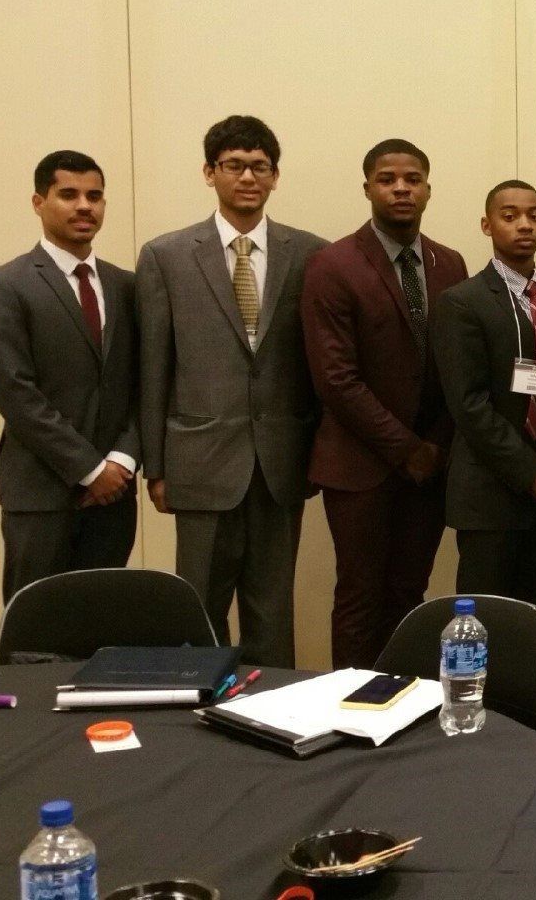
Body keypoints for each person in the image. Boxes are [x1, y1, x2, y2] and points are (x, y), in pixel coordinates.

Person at [138, 116, 326, 667]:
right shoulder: (166, 255)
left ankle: (273, 725)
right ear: (209, 172)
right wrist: (156, 465)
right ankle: (197, 724)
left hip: (280, 463)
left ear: (274, 177)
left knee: (273, 613)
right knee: (198, 611)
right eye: (234, 165)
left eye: (259, 167)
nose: (247, 176)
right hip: (197, 462)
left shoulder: (312, 253)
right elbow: (154, 368)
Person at [301, 139, 468, 669]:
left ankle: (400, 711)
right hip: (360, 466)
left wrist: (436, 445)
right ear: (368, 187)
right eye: (388, 179)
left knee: (408, 596)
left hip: (430, 464)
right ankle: (349, 719)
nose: (401, 188)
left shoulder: (449, 263)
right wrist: (405, 448)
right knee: (360, 598)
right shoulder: (333, 264)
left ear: (428, 188)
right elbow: (335, 378)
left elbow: (456, 370)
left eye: (413, 179)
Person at [0, 151, 139, 601]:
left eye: (95, 196)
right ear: (38, 201)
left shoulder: (127, 285)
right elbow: (14, 391)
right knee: (33, 640)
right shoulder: (5, 285)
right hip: (41, 493)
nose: (84, 206)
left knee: (100, 629)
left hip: (114, 499)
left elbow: (145, 383)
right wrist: (88, 470)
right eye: (68, 194)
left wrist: (121, 463)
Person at [431, 180, 536, 611]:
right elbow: (468, 404)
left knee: (535, 621)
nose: (524, 225)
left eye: (533, 216)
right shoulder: (462, 302)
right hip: (488, 496)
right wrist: (529, 472)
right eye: (510, 215)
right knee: (484, 623)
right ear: (487, 225)